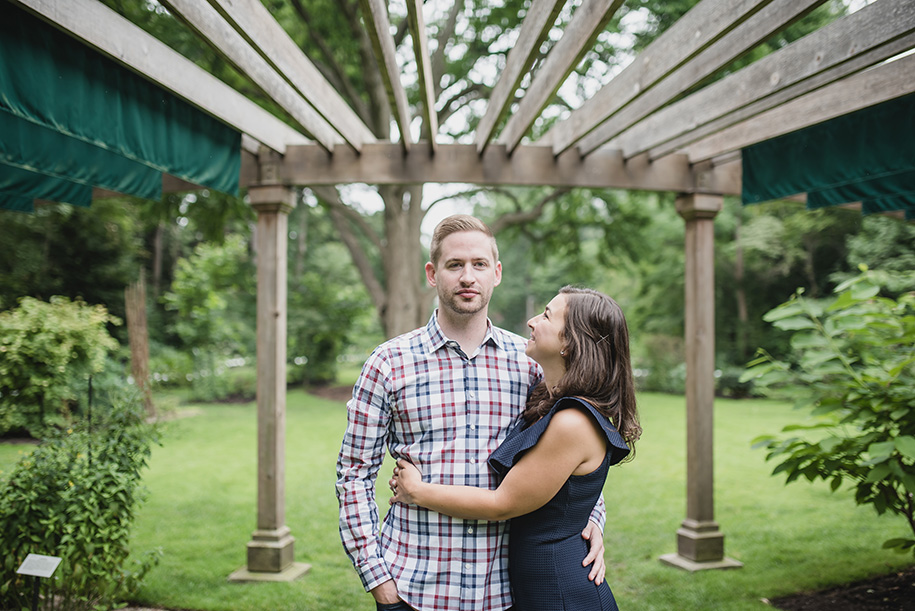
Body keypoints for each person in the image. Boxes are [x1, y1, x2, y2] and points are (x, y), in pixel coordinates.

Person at [336, 215, 607, 611]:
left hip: (509, 589)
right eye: (454, 265)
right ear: (432, 274)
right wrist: (378, 578)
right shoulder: (388, 363)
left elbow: (575, 451)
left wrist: (591, 519)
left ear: (496, 273)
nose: (468, 277)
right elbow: (353, 472)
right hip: (412, 587)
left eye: (479, 265)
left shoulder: (531, 362)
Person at [389, 286, 641, 611]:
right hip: (539, 588)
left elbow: (502, 504)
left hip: (562, 594)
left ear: (570, 342)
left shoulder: (572, 422)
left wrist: (417, 491)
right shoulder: (553, 403)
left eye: (547, 315)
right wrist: (591, 519)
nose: (532, 322)